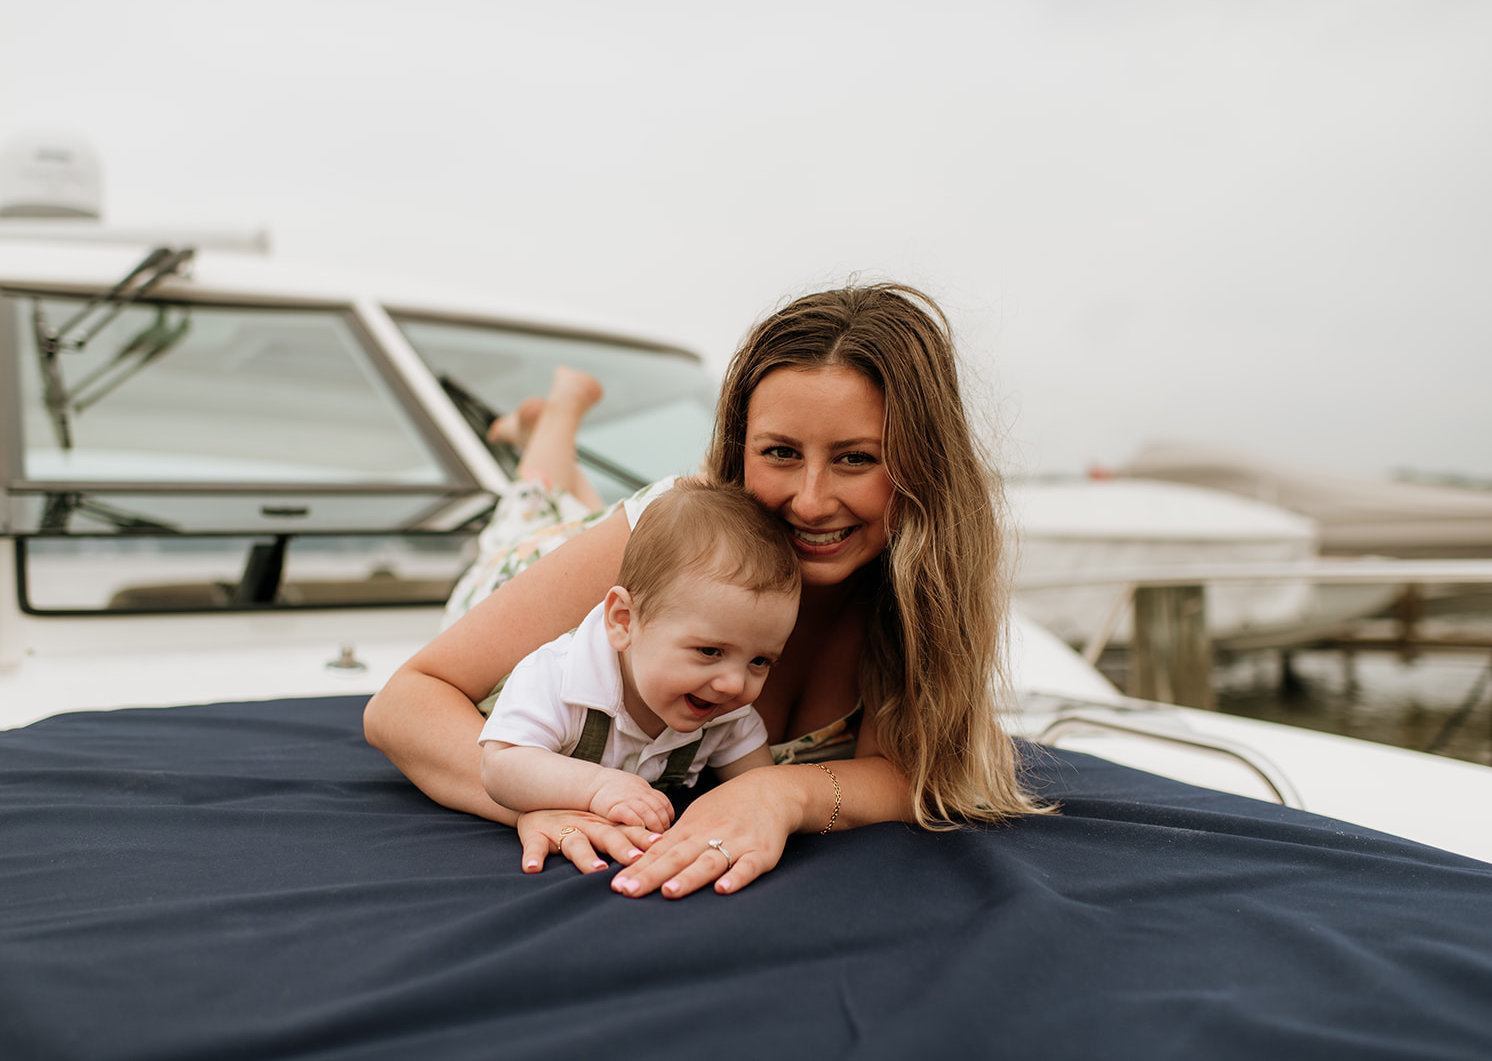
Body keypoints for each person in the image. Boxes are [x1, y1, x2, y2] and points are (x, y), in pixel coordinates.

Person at [365, 282, 1047, 900]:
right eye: (780, 452)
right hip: (528, 568)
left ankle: (550, 443)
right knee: (531, 511)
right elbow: (403, 704)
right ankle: (551, 426)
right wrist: (544, 799)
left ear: (922, 465)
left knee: (562, 504)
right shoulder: (668, 525)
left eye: (856, 458)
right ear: (738, 446)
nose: (810, 501)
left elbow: (913, 771)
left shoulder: (916, 589)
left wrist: (782, 795)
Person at [479, 478, 801, 837]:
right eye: (710, 651)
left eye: (760, 661)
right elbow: (500, 766)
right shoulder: (556, 676)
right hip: (508, 569)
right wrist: (597, 787)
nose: (734, 684)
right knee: (529, 510)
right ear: (624, 621)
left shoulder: (728, 713)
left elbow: (759, 789)